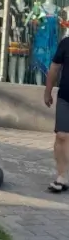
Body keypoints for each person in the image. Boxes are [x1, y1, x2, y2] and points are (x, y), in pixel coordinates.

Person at [44, 36, 69, 193]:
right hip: (65, 98)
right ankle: (61, 177)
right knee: (61, 135)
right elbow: (54, 68)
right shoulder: (66, 43)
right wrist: (47, 92)